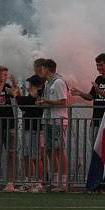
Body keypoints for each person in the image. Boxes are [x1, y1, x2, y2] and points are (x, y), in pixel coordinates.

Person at [70, 53, 105, 190]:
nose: (99, 68)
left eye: (101, 65)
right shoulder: (98, 79)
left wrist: (101, 92)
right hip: (96, 120)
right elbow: (91, 96)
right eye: (97, 65)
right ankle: (98, 179)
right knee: (98, 151)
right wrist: (80, 93)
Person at [36, 59, 69, 192]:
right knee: (49, 150)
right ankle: (55, 181)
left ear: (48, 69)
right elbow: (49, 101)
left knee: (59, 150)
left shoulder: (58, 82)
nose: (41, 71)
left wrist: (46, 101)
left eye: (42, 69)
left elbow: (63, 101)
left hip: (58, 120)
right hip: (48, 119)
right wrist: (42, 103)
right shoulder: (48, 83)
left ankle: (63, 182)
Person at [16, 75, 46, 192]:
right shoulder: (31, 96)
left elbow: (24, 103)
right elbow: (23, 103)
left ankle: (38, 182)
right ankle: (29, 181)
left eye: (30, 85)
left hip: (35, 129)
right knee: (26, 156)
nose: (29, 87)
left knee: (35, 156)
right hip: (27, 128)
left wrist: (17, 95)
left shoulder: (40, 96)